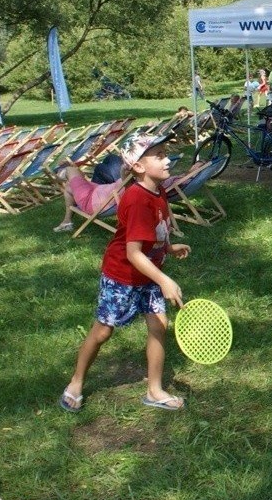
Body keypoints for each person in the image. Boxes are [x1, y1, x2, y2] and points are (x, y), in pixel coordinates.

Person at [59, 133, 191, 413]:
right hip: (122, 276)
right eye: (159, 155)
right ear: (139, 166)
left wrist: (168, 247)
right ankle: (76, 382)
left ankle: (154, 390)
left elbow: (157, 228)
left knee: (159, 326)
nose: (167, 159)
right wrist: (164, 280)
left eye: (166, 153)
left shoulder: (158, 190)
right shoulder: (136, 199)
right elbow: (133, 253)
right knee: (102, 332)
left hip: (148, 274)